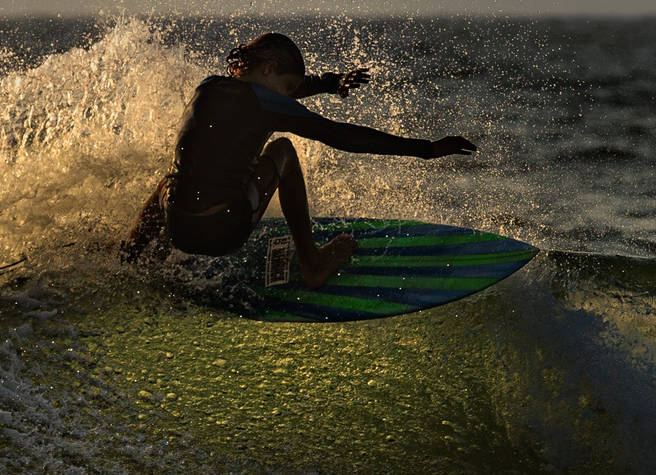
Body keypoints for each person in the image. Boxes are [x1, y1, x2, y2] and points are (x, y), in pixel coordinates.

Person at [119, 32, 476, 285]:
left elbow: (281, 95)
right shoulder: (262, 101)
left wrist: (326, 83)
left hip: (178, 228)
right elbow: (342, 136)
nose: (290, 99)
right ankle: (314, 262)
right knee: (284, 151)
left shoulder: (208, 86)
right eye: (288, 89)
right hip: (221, 231)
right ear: (270, 69)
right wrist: (425, 149)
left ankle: (128, 255)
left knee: (174, 179)